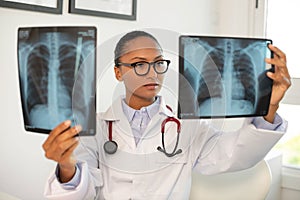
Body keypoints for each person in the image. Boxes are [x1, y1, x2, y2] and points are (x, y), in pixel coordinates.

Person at [43, 30, 291, 200]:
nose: (152, 73)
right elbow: (79, 192)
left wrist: (270, 107)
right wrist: (65, 164)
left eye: (159, 63)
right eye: (140, 64)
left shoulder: (188, 128)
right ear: (118, 72)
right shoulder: (93, 127)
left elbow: (237, 154)